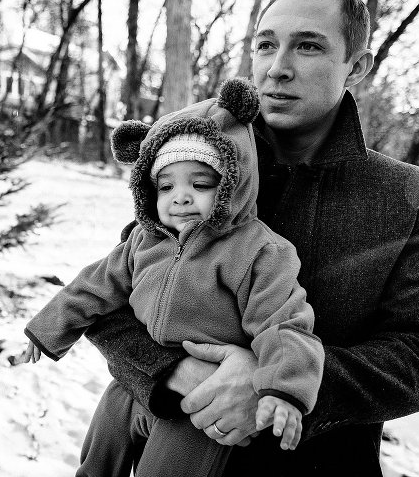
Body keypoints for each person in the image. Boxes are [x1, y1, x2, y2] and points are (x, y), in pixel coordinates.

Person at [83, 0, 419, 476]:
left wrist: (276, 387)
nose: (277, 68)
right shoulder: (197, 159)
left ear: (358, 65)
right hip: (169, 439)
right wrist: (175, 370)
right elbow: (112, 300)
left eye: (307, 46)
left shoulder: (403, 195)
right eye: (266, 44)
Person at [20, 78, 324, 476]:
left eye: (200, 184)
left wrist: (284, 389)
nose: (180, 196)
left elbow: (284, 323)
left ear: (234, 182)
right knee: (98, 456)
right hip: (136, 383)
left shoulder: (258, 251)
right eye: (166, 186)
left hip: (202, 406)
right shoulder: (143, 242)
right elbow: (90, 287)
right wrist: (44, 331)